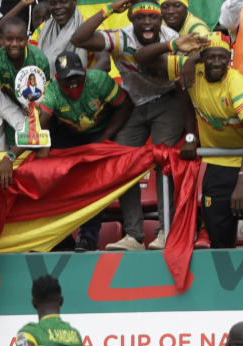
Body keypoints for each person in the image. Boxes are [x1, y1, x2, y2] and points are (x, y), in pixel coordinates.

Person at [0, 51, 134, 253]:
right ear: (57, 80)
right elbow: (37, 130)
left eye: (77, 77)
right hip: (69, 135)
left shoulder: (99, 80)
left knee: (94, 181)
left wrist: (106, 137)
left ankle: (87, 240)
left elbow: (125, 105)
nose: (72, 83)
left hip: (101, 132)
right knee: (50, 173)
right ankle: (60, 238)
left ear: (85, 72)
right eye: (66, 79)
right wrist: (10, 156)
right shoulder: (52, 93)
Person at [71, 0, 181, 252]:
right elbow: (80, 38)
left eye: (152, 18)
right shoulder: (122, 37)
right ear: (131, 20)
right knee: (123, 164)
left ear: (161, 20)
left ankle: (166, 231)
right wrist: (109, 9)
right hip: (133, 102)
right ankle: (134, 235)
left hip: (167, 101)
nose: (146, 23)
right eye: (140, 18)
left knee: (163, 162)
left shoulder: (172, 38)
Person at [137, 31, 243, 249]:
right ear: (202, 59)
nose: (216, 62)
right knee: (218, 241)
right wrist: (191, 135)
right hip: (215, 167)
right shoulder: (192, 71)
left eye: (222, 57)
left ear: (229, 58)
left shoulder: (236, 82)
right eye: (210, 57)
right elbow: (142, 58)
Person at [0, 16, 50, 110]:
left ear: (26, 39)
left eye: (20, 40)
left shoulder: (39, 59)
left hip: (37, 106)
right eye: (9, 39)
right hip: (9, 106)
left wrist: (35, 108)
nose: (14, 44)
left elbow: (48, 91)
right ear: (1, 39)